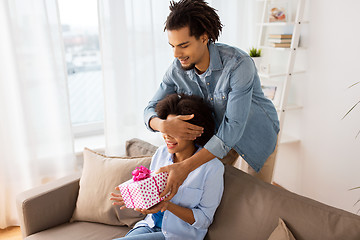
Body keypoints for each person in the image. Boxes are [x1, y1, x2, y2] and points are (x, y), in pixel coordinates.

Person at [144, 0, 280, 200]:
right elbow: (149, 109)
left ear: (204, 37)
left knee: (256, 201)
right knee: (218, 198)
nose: (176, 54)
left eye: (183, 45)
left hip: (255, 135)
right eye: (172, 46)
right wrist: (164, 125)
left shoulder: (238, 65)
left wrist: (185, 167)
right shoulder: (177, 69)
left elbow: (232, 128)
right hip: (217, 139)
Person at [111, 93, 224, 240]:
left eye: (174, 131)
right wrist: (136, 197)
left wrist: (166, 205)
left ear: (194, 131)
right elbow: (152, 195)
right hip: (148, 226)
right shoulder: (161, 153)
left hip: (178, 236)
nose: (167, 137)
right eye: (165, 130)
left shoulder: (211, 168)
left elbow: (204, 220)